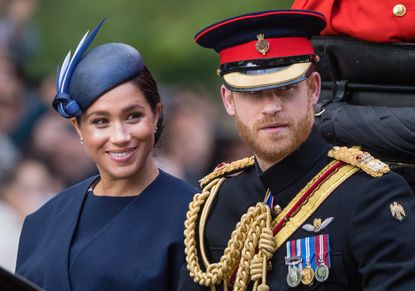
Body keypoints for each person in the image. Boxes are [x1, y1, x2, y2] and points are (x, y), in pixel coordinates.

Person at [178, 9, 415, 290]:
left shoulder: (372, 196)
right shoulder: (214, 204)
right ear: (228, 100)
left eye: (286, 90)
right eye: (254, 94)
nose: (271, 108)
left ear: (313, 90)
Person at [15, 19, 195, 291]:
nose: (120, 136)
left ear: (156, 115)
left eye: (133, 116)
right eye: (101, 121)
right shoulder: (43, 222)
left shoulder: (195, 217)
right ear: (78, 128)